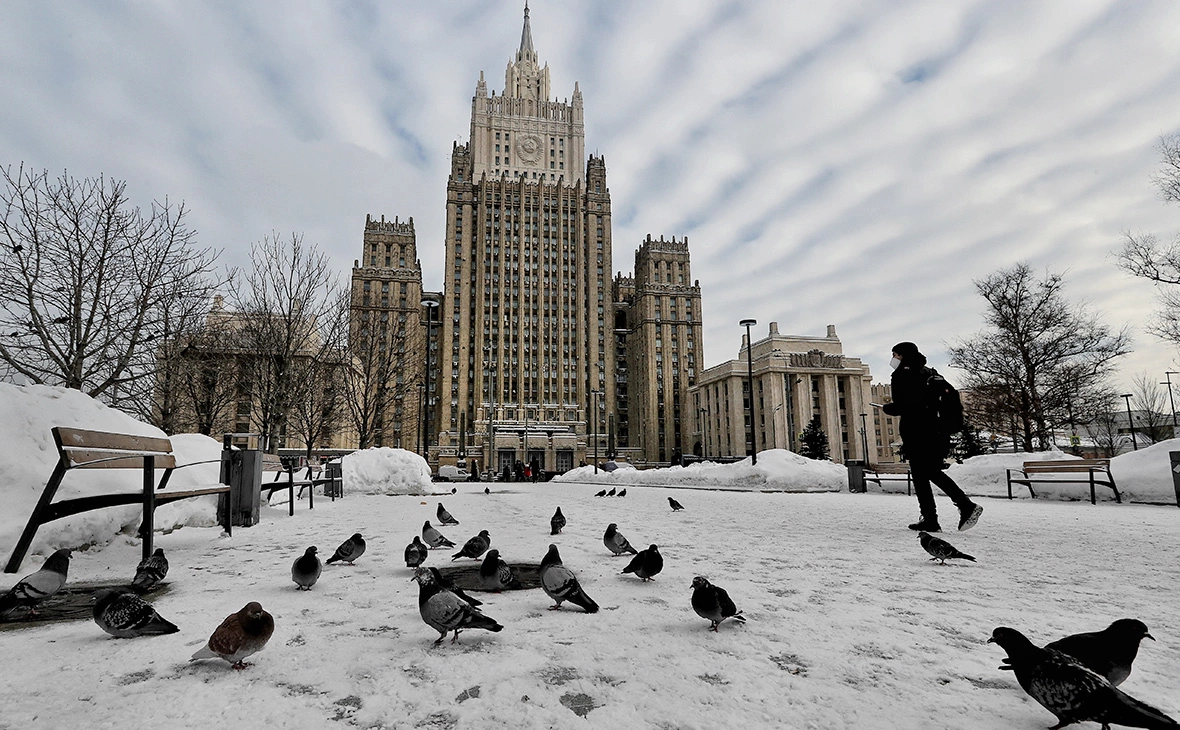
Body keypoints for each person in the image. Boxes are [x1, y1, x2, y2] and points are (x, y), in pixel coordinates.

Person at [881, 342, 983, 532]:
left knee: (928, 472)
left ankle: (965, 505)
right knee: (922, 474)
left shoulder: (904, 373)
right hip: (937, 430)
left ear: (902, 356)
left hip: (918, 431)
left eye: (895, 354)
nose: (893, 358)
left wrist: (889, 408)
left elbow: (908, 405)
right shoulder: (929, 372)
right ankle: (930, 519)